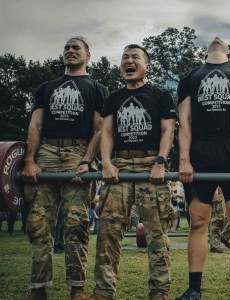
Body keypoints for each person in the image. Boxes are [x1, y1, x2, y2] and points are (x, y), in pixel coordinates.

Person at [21, 36, 108, 300]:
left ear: (88, 55)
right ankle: (39, 289)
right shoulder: (47, 87)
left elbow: (99, 129)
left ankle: (77, 288)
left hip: (77, 152)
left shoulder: (96, 88)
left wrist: (86, 160)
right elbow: (36, 125)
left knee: (76, 224)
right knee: (38, 223)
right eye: (67, 48)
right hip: (46, 151)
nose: (70, 51)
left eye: (76, 48)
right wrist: (29, 159)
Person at [87, 44, 176, 300]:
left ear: (147, 66)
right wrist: (106, 162)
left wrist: (160, 161)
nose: (129, 60)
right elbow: (106, 132)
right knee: (107, 233)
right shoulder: (113, 98)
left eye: (135, 57)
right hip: (121, 169)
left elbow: (168, 131)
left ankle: (159, 292)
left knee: (157, 236)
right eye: (125, 57)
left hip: (151, 167)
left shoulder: (159, 95)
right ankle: (103, 291)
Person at [176, 37, 230, 300]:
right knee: (198, 221)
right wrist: (184, 159)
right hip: (201, 149)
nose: (217, 38)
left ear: (229, 55)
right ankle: (194, 291)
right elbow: (184, 122)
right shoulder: (190, 77)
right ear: (204, 54)